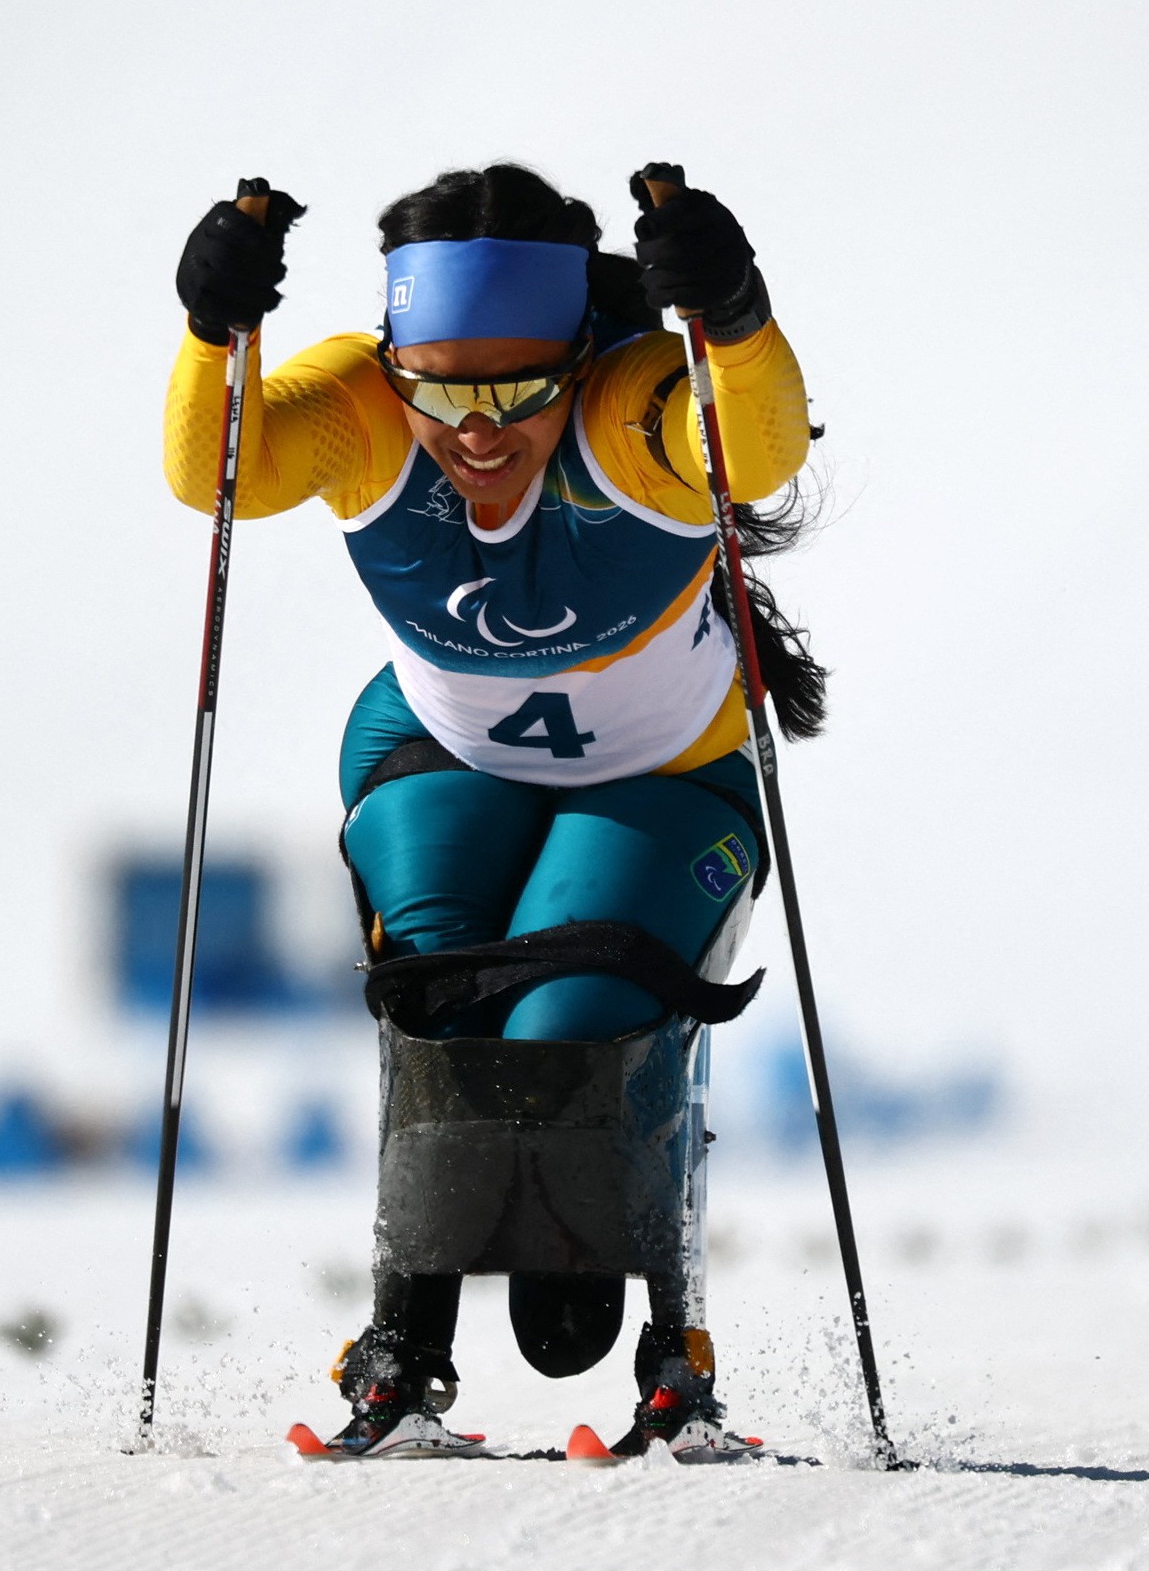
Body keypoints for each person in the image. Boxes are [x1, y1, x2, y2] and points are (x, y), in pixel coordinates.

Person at [162, 162, 827, 1457]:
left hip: (662, 773)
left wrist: (735, 321)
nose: (477, 430)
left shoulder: (639, 404)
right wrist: (211, 336)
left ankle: (673, 1350)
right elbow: (221, 474)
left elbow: (755, 448)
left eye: (519, 391)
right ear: (397, 359)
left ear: (580, 357)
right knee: (436, 994)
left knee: (579, 1016)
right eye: (442, 391)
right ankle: (400, 1355)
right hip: (443, 747)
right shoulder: (362, 399)